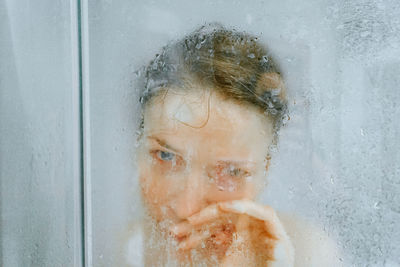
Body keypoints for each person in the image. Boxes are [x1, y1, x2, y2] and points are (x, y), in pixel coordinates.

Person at [126, 23, 341, 266]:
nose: (186, 209)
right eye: (166, 156)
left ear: (265, 171)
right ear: (137, 148)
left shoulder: (309, 253)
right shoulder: (106, 248)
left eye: (231, 171)